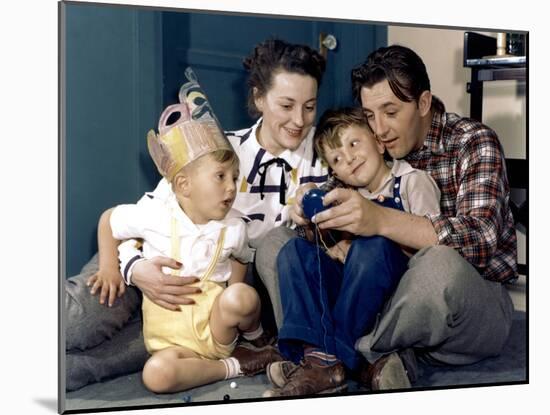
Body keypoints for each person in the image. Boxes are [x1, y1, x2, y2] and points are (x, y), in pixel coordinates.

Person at [65, 39, 327, 391]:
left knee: (77, 368)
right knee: (72, 321)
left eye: (309, 107)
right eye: (286, 105)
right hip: (140, 262)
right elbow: (147, 217)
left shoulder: (326, 162)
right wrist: (135, 269)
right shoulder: (217, 148)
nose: (299, 120)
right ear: (259, 98)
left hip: (209, 306)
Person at [258, 44, 517, 392]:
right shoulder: (364, 151)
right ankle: (358, 358)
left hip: (459, 307)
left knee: (440, 266)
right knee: (275, 244)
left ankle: (330, 354)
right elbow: (324, 228)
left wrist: (378, 220)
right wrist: (309, 210)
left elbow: (481, 241)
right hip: (373, 297)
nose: (379, 129)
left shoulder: (473, 141)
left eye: (391, 112)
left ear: (423, 103)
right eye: (369, 116)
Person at [262, 106, 441, 396]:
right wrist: (317, 227)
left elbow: (432, 253)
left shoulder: (412, 182)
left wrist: (371, 237)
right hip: (349, 293)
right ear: (335, 172)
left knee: (374, 245)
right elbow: (320, 243)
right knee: (293, 251)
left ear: (379, 143)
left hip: (392, 296)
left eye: (353, 143)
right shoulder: (345, 196)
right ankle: (319, 356)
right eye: (336, 158)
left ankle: (323, 361)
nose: (348, 157)